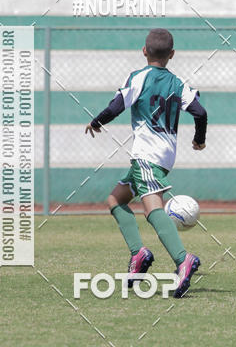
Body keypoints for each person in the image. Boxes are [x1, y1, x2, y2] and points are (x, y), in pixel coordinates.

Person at [85, 28, 208, 298]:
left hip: (147, 155)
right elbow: (200, 112)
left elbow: (116, 106)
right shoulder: (178, 83)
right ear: (172, 54)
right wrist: (199, 140)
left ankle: (183, 259)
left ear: (144, 51)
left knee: (153, 209)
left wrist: (97, 122)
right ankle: (138, 254)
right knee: (116, 199)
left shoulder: (138, 77)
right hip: (165, 156)